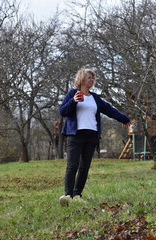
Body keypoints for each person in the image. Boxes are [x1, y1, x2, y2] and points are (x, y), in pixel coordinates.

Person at [59, 68, 131, 206]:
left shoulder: (95, 98)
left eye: (93, 78)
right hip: (75, 135)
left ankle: (77, 195)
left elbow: (109, 110)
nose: (92, 80)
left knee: (84, 167)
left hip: (91, 135)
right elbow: (62, 112)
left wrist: (124, 119)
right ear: (81, 79)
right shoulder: (72, 94)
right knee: (72, 166)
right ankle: (67, 196)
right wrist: (73, 101)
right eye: (89, 77)